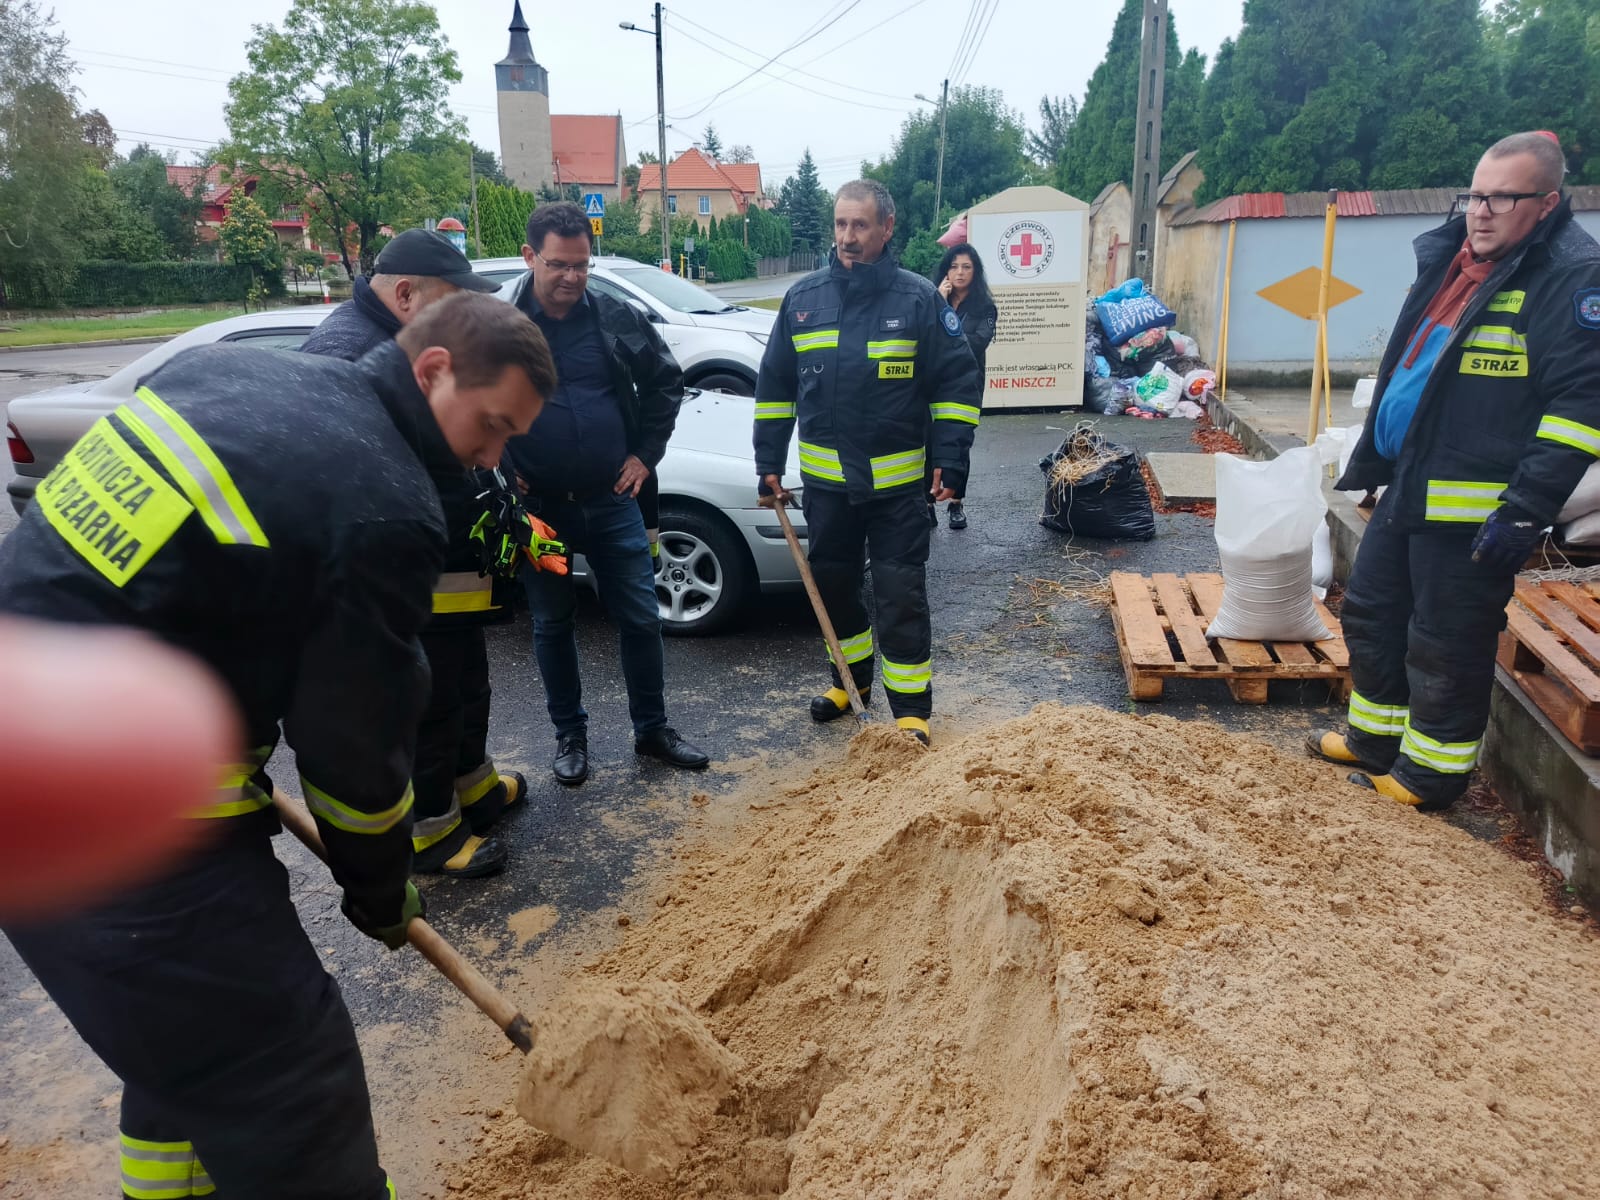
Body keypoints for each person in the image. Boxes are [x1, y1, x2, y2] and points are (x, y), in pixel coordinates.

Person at [0, 291, 554, 1200]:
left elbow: (162, 585)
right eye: (491, 427)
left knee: (184, 1052)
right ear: (432, 370)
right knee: (293, 1089)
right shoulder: (383, 503)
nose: (492, 458)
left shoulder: (226, 374)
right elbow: (355, 751)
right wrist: (380, 889)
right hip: (111, 817)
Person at [1309, 131, 1600, 810]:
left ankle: (1430, 775)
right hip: (1413, 480)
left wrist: (1526, 510)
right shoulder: (1460, 258)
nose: (1482, 209)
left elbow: (1579, 412)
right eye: (1474, 194)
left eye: (1504, 197)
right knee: (1376, 612)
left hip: (1478, 507)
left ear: (1548, 202)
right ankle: (1376, 740)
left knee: (1446, 640)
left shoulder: (1570, 276)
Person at [302, 228, 532, 879]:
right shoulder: (347, 356)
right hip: (403, 585)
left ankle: (473, 788)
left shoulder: (410, 344)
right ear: (405, 294)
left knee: (463, 686)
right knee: (424, 704)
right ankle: (432, 833)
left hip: (448, 572)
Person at [753, 179, 982, 746]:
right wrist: (768, 461)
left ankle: (910, 710)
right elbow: (775, 386)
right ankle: (848, 684)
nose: (847, 237)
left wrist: (950, 459)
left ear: (887, 227)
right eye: (839, 225)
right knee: (833, 588)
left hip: (900, 492)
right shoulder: (803, 301)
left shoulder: (917, 300)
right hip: (827, 491)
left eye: (859, 225)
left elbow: (956, 383)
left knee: (900, 595)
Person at [504, 200, 710, 785]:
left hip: (612, 501)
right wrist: (499, 461)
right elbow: (468, 398)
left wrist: (645, 454)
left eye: (582, 265)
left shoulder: (615, 316)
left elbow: (667, 382)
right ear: (530, 257)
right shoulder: (501, 324)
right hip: (539, 512)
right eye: (559, 265)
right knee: (552, 623)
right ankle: (570, 735)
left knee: (642, 619)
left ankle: (652, 730)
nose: (572, 277)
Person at [930, 242, 998, 530]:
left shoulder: (985, 307)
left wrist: (944, 313)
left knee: (959, 444)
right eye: (954, 266)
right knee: (930, 442)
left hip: (967, 385)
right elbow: (925, 337)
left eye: (966, 267)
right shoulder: (934, 299)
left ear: (975, 271)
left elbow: (974, 344)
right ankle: (928, 500)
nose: (959, 273)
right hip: (935, 383)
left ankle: (956, 503)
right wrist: (939, 303)